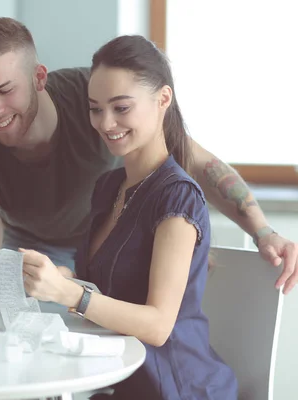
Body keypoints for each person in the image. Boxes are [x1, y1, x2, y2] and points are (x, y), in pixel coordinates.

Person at [0, 17, 298, 314]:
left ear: (39, 78)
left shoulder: (94, 98)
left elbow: (201, 163)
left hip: (108, 237)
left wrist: (263, 232)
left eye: (5, 90)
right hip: (34, 246)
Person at [19, 34, 237, 400]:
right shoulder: (108, 186)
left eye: (121, 107)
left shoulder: (178, 197)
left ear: (162, 99)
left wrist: (68, 292)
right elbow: (99, 286)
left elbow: (158, 326)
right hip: (120, 382)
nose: (105, 123)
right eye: (95, 108)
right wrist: (59, 277)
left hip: (176, 388)